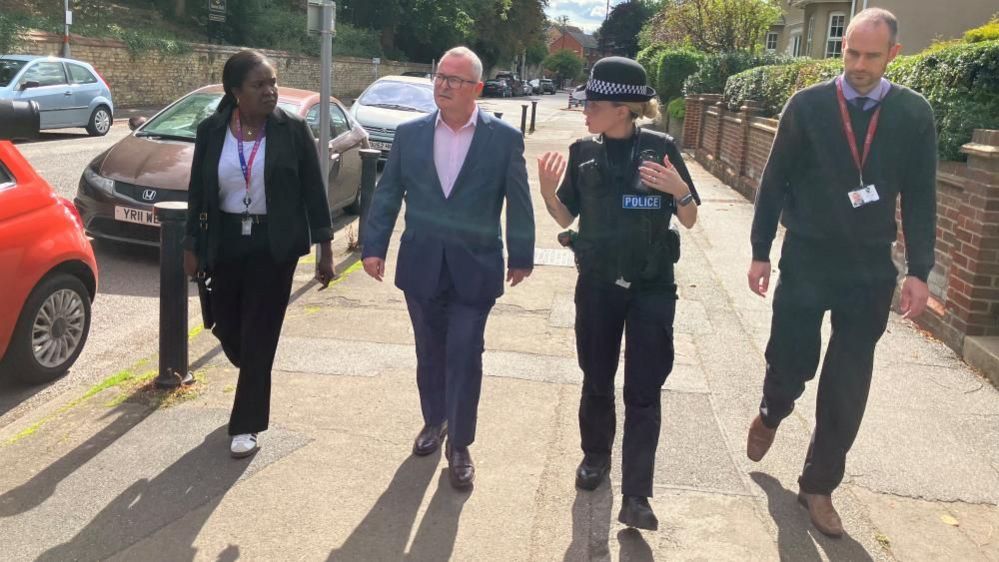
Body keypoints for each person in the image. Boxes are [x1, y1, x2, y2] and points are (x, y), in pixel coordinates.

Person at [745, 8, 937, 537]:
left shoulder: (913, 114)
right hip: (806, 258)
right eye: (851, 52)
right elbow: (774, 180)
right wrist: (760, 250)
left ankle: (819, 485)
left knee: (848, 382)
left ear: (893, 55)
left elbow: (922, 196)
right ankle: (772, 409)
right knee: (791, 360)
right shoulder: (807, 106)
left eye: (870, 55)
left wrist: (919, 269)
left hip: (870, 269)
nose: (857, 63)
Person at [360, 46, 535, 490]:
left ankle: (460, 443)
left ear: (477, 87)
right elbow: (388, 193)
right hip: (422, 264)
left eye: (455, 80)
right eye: (440, 76)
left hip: (476, 268)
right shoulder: (411, 134)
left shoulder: (503, 139)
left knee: (464, 353)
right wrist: (373, 246)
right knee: (429, 352)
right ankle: (434, 420)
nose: (444, 85)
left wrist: (522, 254)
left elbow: (518, 199)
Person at [537, 56, 700, 530]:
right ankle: (595, 456)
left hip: (652, 287)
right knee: (596, 376)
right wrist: (548, 191)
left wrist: (678, 190)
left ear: (623, 108)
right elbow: (566, 219)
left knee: (644, 389)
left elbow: (688, 219)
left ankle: (637, 495)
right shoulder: (582, 152)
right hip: (599, 285)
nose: (585, 108)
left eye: (593, 102)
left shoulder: (663, 148)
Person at [183, 50, 336, 458]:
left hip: (276, 246)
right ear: (236, 92)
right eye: (259, 85)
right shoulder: (212, 131)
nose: (270, 91)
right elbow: (198, 192)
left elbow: (313, 192)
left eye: (273, 83)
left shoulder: (292, 129)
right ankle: (249, 363)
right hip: (227, 240)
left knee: (260, 336)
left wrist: (325, 248)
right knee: (229, 328)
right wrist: (191, 246)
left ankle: (247, 424)